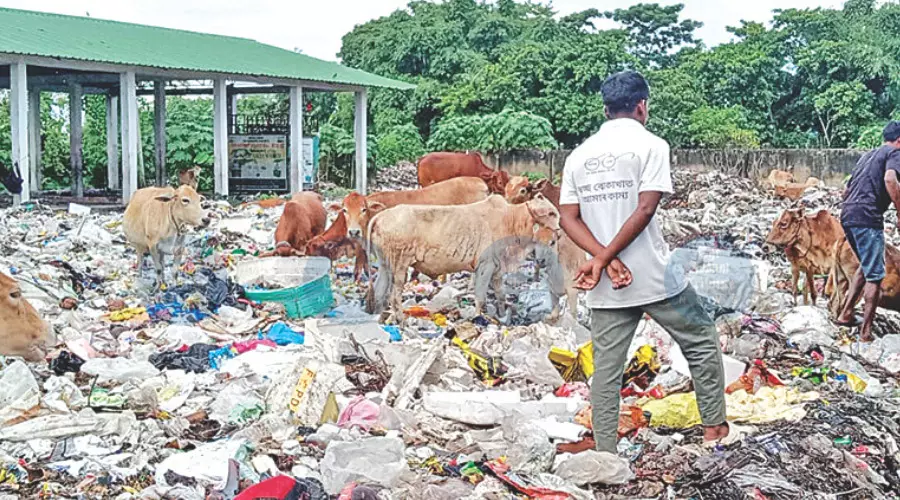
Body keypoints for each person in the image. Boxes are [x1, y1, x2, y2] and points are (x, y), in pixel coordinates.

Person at [558, 70, 740, 452]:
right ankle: (714, 431)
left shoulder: (578, 155)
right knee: (702, 340)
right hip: (655, 277)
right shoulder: (652, 145)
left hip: (605, 282)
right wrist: (609, 259)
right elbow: (644, 210)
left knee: (606, 370)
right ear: (642, 106)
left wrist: (601, 261)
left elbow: (568, 218)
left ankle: (606, 451)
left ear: (606, 108)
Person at [834, 121, 900, 342]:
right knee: (876, 275)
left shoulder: (867, 156)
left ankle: (846, 314)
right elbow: (890, 179)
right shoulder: (894, 153)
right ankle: (866, 333)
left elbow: (847, 190)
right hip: (868, 217)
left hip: (848, 215)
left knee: (866, 266)